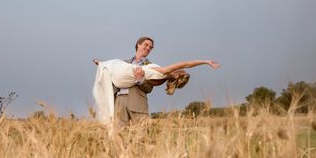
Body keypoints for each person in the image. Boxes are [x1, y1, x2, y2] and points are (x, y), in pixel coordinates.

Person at [92, 37, 220, 125]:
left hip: (137, 103)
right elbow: (112, 74)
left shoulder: (156, 69)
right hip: (119, 103)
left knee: (141, 137)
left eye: (151, 47)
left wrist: (140, 80)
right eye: (146, 45)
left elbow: (149, 88)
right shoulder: (123, 63)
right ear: (138, 45)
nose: (148, 48)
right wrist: (101, 64)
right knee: (118, 137)